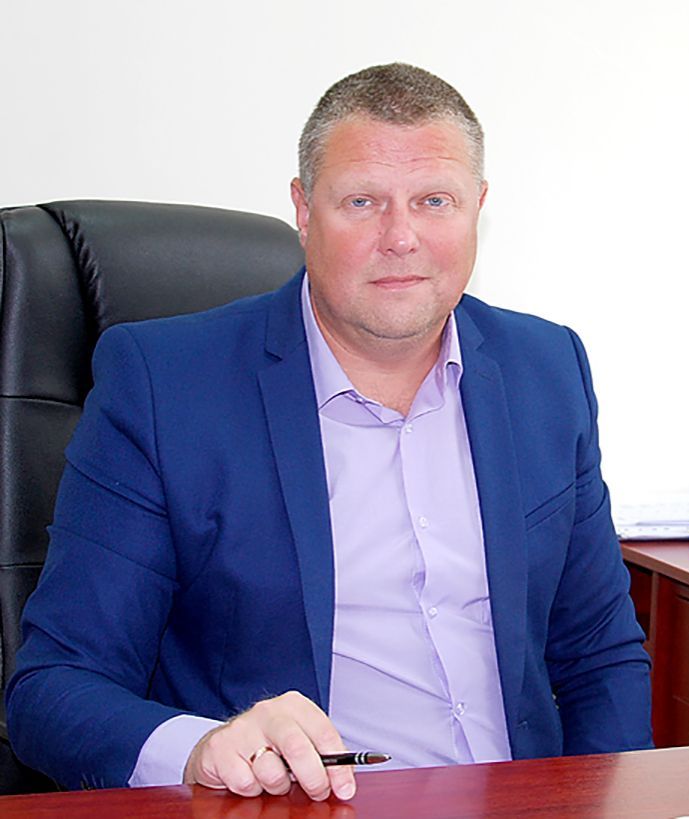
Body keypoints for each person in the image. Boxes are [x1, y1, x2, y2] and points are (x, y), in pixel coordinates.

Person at [6, 63, 652, 802]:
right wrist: (203, 748)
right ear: (304, 209)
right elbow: (54, 689)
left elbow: (599, 654)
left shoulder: (547, 367)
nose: (400, 237)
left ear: (477, 206)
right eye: (361, 202)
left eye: (433, 200)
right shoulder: (165, 385)